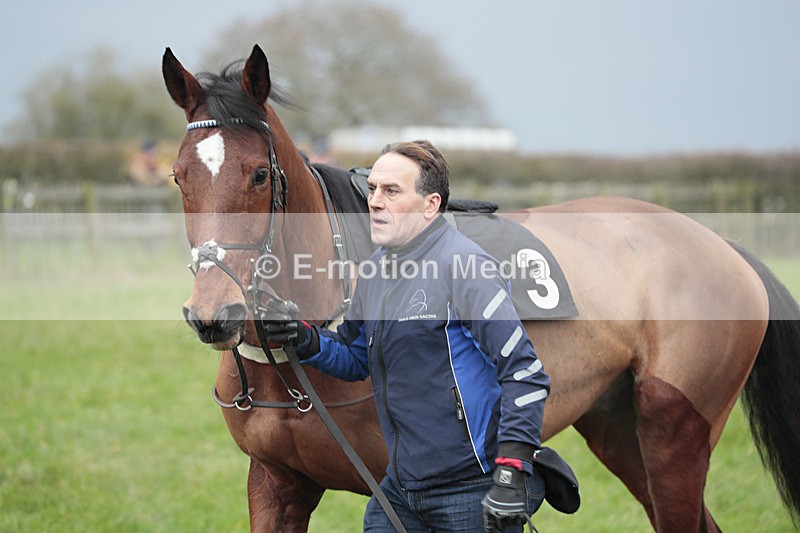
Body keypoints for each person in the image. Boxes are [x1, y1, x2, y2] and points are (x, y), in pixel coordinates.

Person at [262, 140, 551, 532]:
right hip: (400, 488)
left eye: (391, 191)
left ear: (431, 205)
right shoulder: (375, 269)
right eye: (373, 189)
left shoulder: (465, 267)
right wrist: (304, 338)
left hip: (471, 487)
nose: (375, 202)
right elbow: (355, 356)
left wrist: (511, 473)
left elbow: (525, 373)